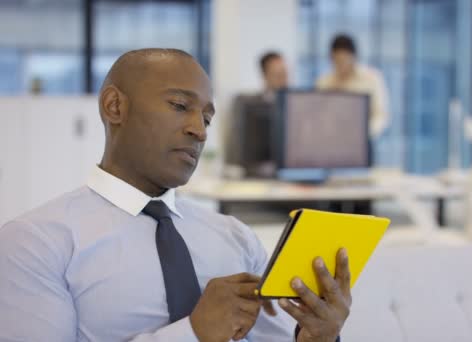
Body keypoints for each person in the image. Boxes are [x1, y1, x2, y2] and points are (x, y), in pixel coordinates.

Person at [0, 48, 351, 342]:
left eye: (207, 120)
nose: (198, 130)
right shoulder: (35, 244)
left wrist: (317, 338)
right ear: (114, 107)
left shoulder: (236, 237)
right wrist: (193, 333)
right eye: (181, 106)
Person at [316, 34, 390, 139]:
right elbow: (319, 116)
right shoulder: (324, 82)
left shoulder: (372, 79)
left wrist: (363, 133)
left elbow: (380, 115)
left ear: (354, 57)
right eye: (336, 61)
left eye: (344, 60)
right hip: (332, 140)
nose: (341, 65)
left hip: (363, 140)